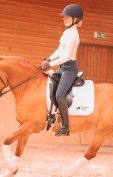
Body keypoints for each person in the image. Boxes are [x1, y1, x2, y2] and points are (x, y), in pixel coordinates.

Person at [40, 4, 83, 137]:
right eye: (64, 17)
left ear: (75, 19)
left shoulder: (74, 35)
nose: (64, 19)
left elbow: (65, 57)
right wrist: (48, 58)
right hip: (62, 67)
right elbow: (60, 49)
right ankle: (52, 116)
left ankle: (65, 127)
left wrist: (50, 64)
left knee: (60, 95)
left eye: (67, 17)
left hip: (70, 69)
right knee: (49, 86)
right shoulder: (66, 32)